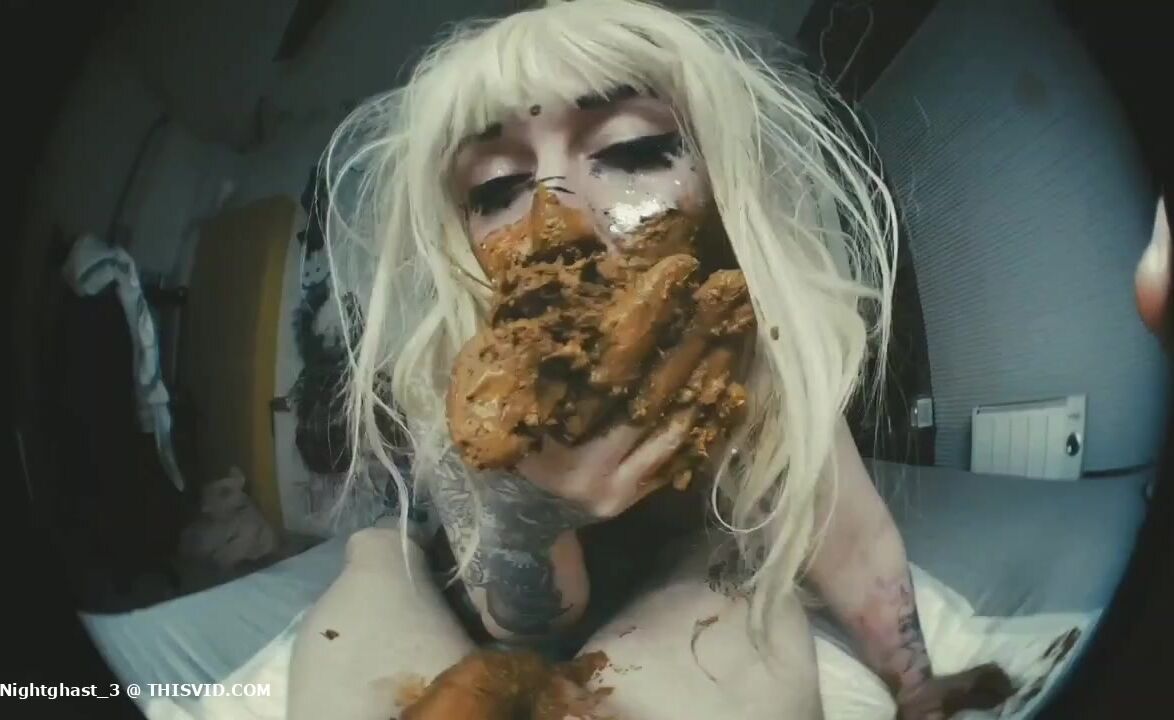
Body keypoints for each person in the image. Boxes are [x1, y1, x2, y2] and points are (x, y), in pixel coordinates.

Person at [287, 2, 1018, 718]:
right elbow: (526, 623)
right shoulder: (462, 381)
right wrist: (529, 514)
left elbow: (853, 544)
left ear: (721, 180)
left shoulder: (755, 358)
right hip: (489, 591)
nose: (556, 214)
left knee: (728, 576)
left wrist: (916, 687)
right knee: (376, 562)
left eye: (632, 150)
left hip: (675, 564)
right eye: (496, 187)